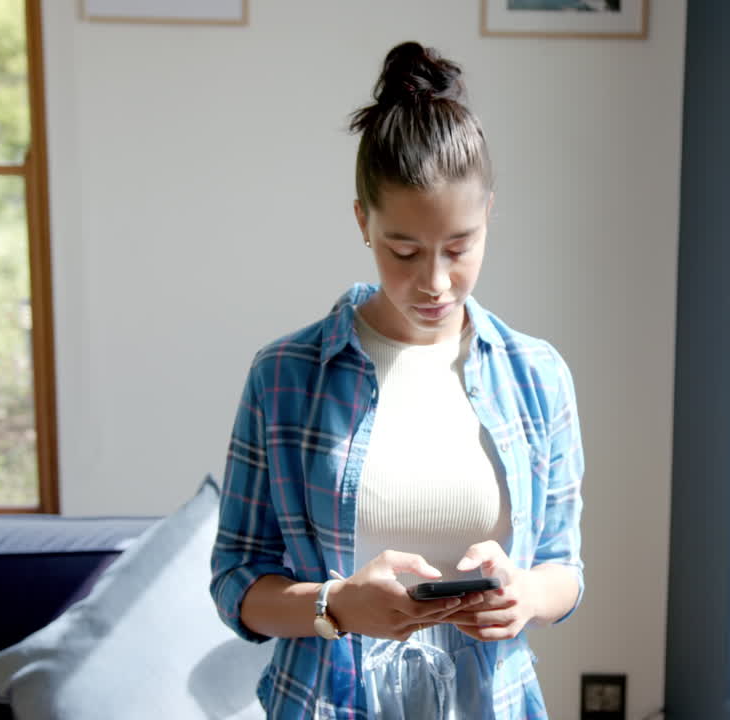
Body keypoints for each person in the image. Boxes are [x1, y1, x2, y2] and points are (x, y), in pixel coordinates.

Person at [210, 41, 586, 719]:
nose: (435, 282)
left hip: (490, 703)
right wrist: (337, 606)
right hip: (327, 701)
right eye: (404, 251)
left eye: (459, 247)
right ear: (363, 220)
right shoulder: (286, 376)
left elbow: (564, 566)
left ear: (489, 214)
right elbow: (236, 580)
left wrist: (526, 596)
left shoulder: (537, 375)